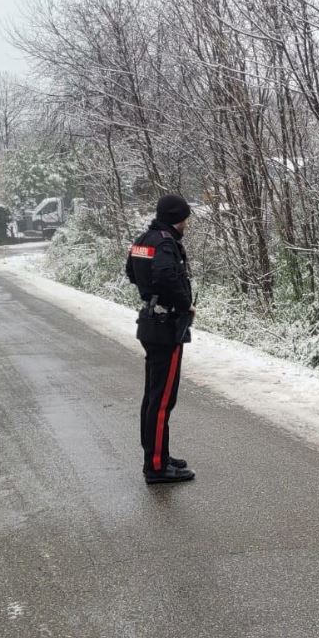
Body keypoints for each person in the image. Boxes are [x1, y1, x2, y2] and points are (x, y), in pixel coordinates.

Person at [126, 195, 197, 485]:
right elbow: (167, 276)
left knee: (153, 397)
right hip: (166, 327)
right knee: (163, 400)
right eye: (184, 219)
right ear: (176, 218)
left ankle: (158, 455)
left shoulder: (145, 238)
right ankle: (156, 466)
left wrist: (150, 292)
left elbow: (131, 272)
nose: (186, 225)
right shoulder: (166, 243)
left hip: (151, 322)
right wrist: (184, 305)